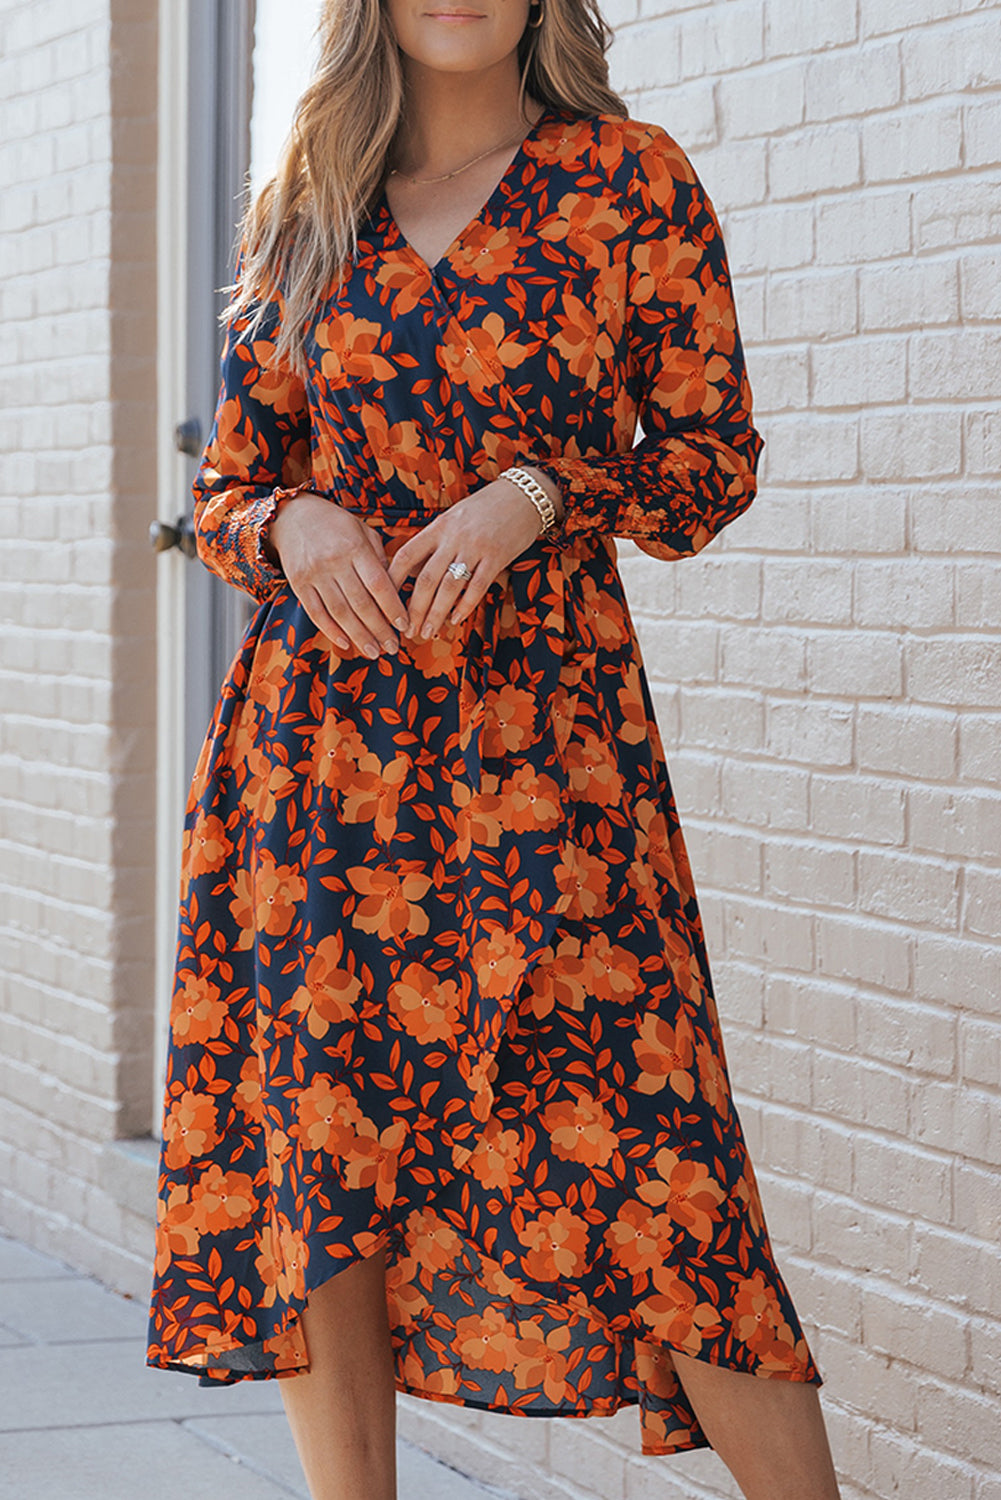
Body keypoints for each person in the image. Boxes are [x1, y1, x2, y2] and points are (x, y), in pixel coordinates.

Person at [146, 2, 843, 1497]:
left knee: (662, 1164)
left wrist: (533, 491)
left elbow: (705, 460)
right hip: (318, 765)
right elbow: (226, 487)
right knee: (323, 1163)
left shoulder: (626, 179)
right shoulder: (308, 209)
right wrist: (292, 518)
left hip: (553, 766)